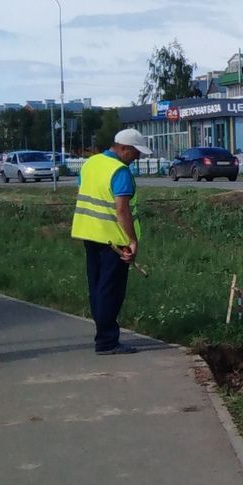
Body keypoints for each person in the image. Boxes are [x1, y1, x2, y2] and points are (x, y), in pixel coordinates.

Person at [70, 128, 148, 354]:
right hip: (114, 240)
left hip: (90, 234)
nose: (138, 158)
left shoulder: (91, 163)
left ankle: (103, 335)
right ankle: (107, 341)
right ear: (124, 148)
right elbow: (122, 209)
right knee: (110, 291)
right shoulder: (120, 171)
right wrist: (132, 240)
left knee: (97, 288)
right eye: (136, 153)